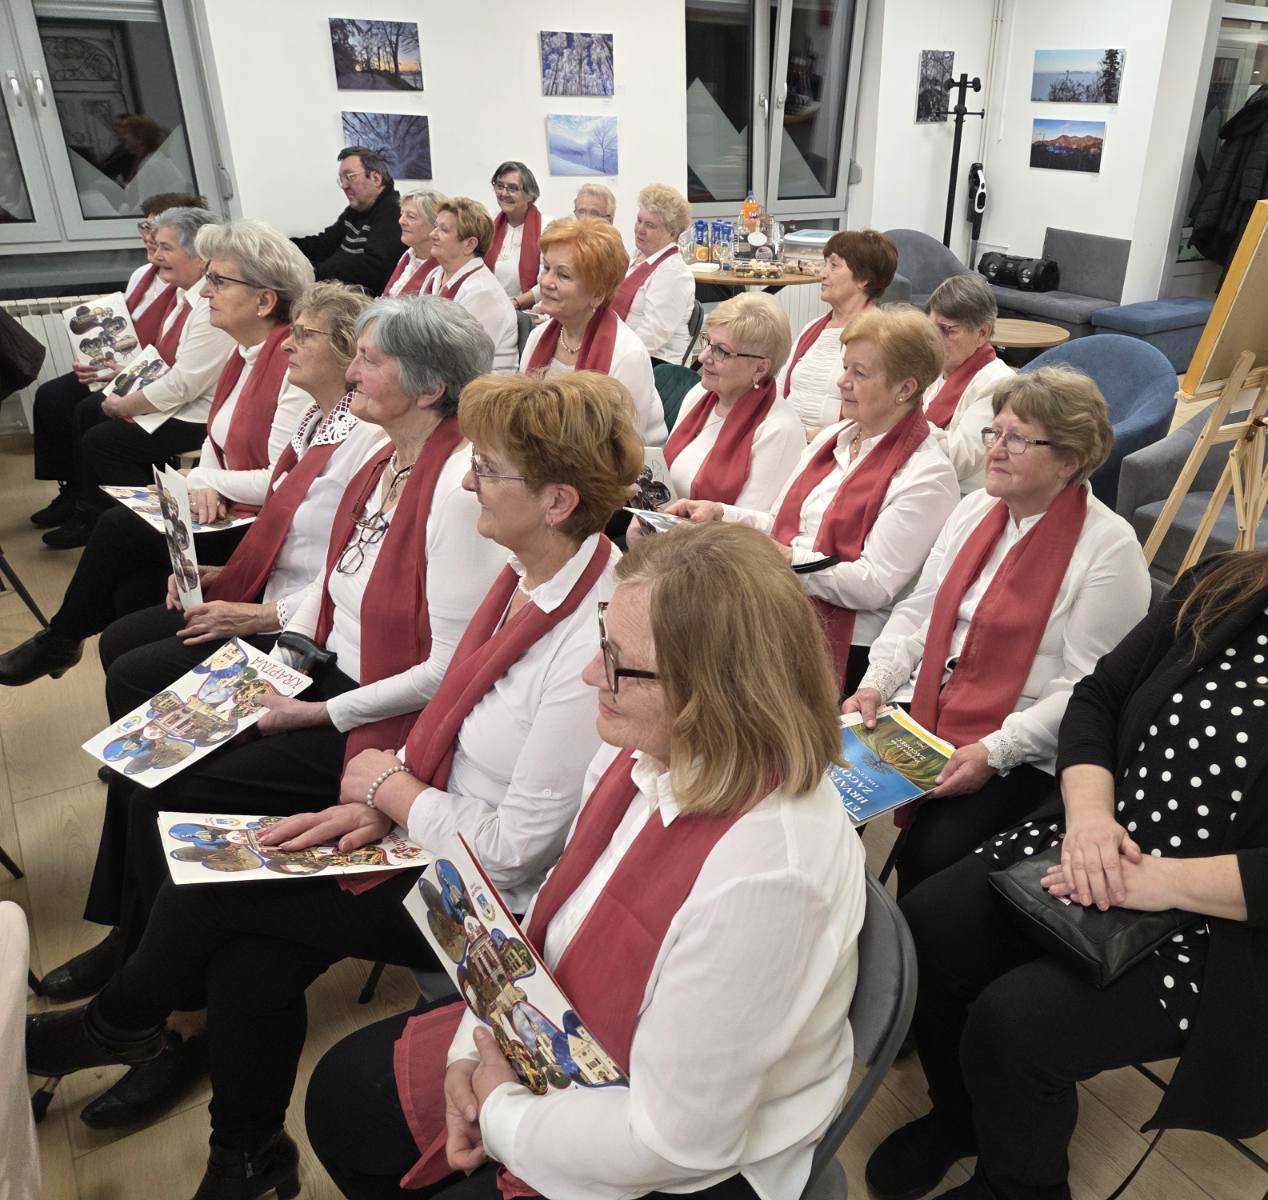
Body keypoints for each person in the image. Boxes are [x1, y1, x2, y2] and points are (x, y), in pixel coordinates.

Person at [865, 397, 1268, 1200]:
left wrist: (1161, 882)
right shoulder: (1226, 586)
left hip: (1246, 925)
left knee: (1016, 1025)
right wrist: (1091, 821)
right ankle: (962, 1114)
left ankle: (1019, 1185)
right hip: (1102, 843)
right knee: (924, 928)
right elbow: (1100, 698)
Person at [24, 370, 638, 1152]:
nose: (469, 481)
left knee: (208, 891)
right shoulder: (529, 577)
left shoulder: (591, 639)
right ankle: (246, 1154)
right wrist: (379, 796)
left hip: (483, 900)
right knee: (248, 957)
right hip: (424, 824)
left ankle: (118, 1025)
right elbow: (449, 716)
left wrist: (392, 788)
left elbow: (516, 851)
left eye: (488, 470)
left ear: (556, 502)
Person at [300, 520, 864, 1200]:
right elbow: (551, 918)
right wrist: (474, 1047)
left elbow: (676, 1140)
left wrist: (498, 1110)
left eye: (617, 662)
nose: (592, 673)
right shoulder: (648, 755)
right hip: (571, 1035)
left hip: (687, 1164)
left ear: (714, 694)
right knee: (340, 1099)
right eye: (602, 641)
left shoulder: (770, 875)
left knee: (356, 1115)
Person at [36, 297, 505, 1027]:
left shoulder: (454, 490)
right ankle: (132, 942)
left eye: (369, 359)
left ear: (429, 388)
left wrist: (312, 709)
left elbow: (447, 672)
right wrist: (270, 661)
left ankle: (163, 991)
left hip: (373, 719)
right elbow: (339, 582)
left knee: (167, 793)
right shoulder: (389, 457)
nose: (352, 370)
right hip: (321, 668)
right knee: (140, 760)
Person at [844, 369, 1149, 894]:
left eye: (1018, 439)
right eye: (995, 432)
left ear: (1069, 461)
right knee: (819, 795)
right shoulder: (975, 510)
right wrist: (877, 682)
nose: (995, 450)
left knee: (933, 857)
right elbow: (919, 611)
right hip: (926, 704)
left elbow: (1086, 689)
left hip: (1021, 739)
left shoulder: (1110, 549)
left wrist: (996, 750)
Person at [0, 220, 317, 687]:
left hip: (262, 527)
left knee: (118, 526)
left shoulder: (291, 366)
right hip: (228, 505)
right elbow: (215, 439)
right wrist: (205, 478)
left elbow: (279, 481)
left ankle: (62, 639)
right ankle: (89, 648)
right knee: (130, 589)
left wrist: (200, 481)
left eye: (219, 281)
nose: (205, 291)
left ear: (265, 300)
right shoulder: (245, 352)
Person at [94, 283, 387, 723]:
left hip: (302, 622)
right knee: (118, 636)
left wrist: (256, 615)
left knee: (132, 672)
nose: (286, 343)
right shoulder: (314, 419)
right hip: (273, 589)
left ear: (346, 352)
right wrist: (226, 574)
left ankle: (177, 762)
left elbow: (345, 575)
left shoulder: (366, 441)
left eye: (305, 334)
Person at [673, 306, 959, 692]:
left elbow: (873, 584)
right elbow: (780, 525)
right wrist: (720, 514)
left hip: (851, 647)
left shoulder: (926, 476)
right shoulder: (833, 438)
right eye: (845, 367)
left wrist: (786, 559)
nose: (842, 382)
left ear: (905, 389)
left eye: (859, 373)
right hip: (784, 609)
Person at [36, 205, 231, 549]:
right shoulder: (182, 293)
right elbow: (164, 361)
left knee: (102, 440)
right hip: (181, 397)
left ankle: (151, 530)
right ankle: (96, 512)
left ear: (199, 257)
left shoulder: (205, 303)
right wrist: (123, 376)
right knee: (90, 411)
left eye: (166, 248)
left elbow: (184, 385)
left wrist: (126, 404)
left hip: (200, 411)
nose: (156, 255)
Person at [520, 217, 667, 443]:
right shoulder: (538, 336)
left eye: (563, 275)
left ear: (597, 294)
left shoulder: (627, 355)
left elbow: (621, 449)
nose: (546, 282)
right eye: (547, 268)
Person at [655, 292, 804, 509]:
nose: (703, 357)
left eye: (721, 351)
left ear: (760, 368)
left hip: (711, 532)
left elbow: (748, 523)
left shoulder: (779, 429)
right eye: (707, 342)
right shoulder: (699, 394)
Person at [778, 229, 897, 434]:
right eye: (825, 264)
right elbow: (780, 388)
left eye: (834, 265)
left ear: (863, 279)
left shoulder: (880, 335)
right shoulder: (812, 328)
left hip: (837, 445)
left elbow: (881, 413)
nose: (822, 274)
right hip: (790, 437)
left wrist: (817, 438)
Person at [922, 274, 1014, 494]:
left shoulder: (998, 384)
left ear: (982, 333)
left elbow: (959, 460)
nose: (935, 338)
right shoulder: (934, 368)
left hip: (961, 497)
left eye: (948, 330)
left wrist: (900, 418)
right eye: (931, 328)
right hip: (923, 482)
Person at [291, 146, 405, 296]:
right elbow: (324, 245)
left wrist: (314, 274)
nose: (344, 186)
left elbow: (375, 268)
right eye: (342, 179)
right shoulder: (355, 211)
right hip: (335, 291)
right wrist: (284, 247)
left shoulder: (394, 213)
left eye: (350, 176)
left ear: (376, 178)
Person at [424, 196, 519, 372]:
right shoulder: (435, 275)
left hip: (481, 384)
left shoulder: (483, 292)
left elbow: (459, 359)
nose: (432, 234)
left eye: (443, 230)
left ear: (469, 244)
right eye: (435, 226)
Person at [614, 184, 696, 365]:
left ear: (672, 233)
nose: (640, 229)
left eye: (650, 225)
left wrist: (610, 355)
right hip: (627, 351)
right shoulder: (635, 257)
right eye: (639, 220)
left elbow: (652, 337)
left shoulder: (674, 274)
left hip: (655, 364)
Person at [483, 161, 542, 310]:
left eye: (513, 188)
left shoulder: (547, 228)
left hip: (527, 312)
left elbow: (548, 282)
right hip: (487, 306)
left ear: (530, 195)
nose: (503, 193)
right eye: (499, 186)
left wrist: (514, 304)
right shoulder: (487, 223)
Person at [382, 188, 443, 297]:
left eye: (411, 216)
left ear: (435, 224)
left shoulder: (443, 267)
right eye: (402, 214)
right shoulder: (408, 255)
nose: (401, 221)